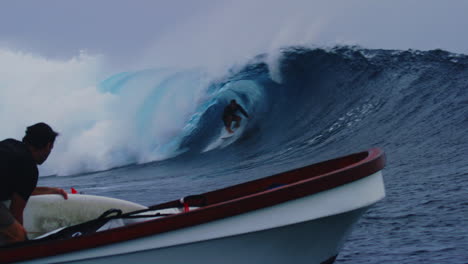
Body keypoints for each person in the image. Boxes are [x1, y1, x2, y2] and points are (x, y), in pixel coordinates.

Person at [0, 122, 68, 245]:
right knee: (18, 235)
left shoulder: (9, 145)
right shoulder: (28, 166)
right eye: (51, 149)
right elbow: (16, 212)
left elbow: (17, 189)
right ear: (48, 146)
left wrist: (50, 191)